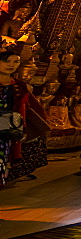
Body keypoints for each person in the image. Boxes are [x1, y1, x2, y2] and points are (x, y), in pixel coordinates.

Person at [0, 51, 48, 188]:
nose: (11, 65)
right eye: (7, 61)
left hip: (13, 125)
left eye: (15, 62)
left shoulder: (20, 85)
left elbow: (31, 106)